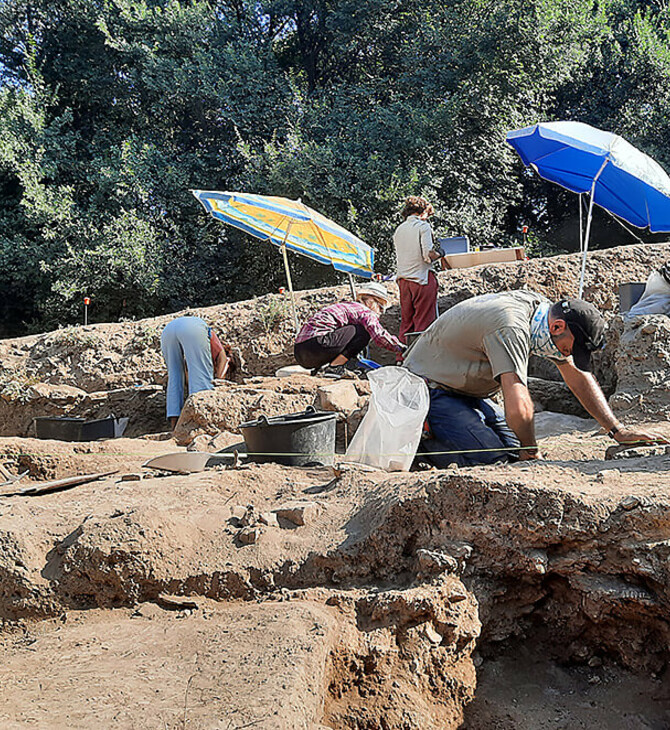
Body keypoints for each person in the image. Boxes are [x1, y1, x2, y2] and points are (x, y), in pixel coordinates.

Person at [403, 290, 664, 467]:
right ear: (558, 327)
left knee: (513, 454)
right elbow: (517, 399)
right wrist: (531, 450)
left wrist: (617, 430)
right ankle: (422, 446)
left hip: (465, 393)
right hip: (428, 390)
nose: (568, 356)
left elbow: (577, 377)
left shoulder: (541, 314)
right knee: (494, 462)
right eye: (569, 349)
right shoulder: (511, 326)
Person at [294, 282, 404, 377]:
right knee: (364, 332)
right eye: (380, 308)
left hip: (300, 352)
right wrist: (401, 349)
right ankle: (334, 367)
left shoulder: (347, 307)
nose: (380, 313)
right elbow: (379, 335)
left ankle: (324, 368)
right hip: (316, 346)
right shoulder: (365, 311)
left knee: (351, 332)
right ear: (371, 301)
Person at [161, 316, 234, 428]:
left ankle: (174, 426)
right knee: (202, 378)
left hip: (168, 330)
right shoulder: (218, 348)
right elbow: (224, 360)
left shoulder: (196, 348)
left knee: (174, 378)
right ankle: (202, 423)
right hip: (192, 328)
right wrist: (219, 383)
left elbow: (186, 372)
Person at [393, 196, 443, 343]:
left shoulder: (399, 229)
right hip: (422, 279)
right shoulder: (423, 226)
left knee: (406, 322)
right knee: (424, 322)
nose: (427, 218)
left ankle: (401, 357)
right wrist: (441, 253)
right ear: (422, 212)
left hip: (403, 281)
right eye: (427, 215)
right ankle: (422, 359)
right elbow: (428, 256)